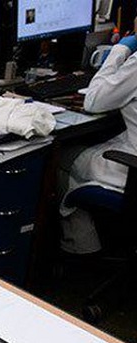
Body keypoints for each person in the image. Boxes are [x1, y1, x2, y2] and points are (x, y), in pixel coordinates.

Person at [60, 28, 137, 253]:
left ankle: (81, 249)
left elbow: (93, 101)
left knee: (60, 156)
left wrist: (119, 50)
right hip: (128, 151)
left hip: (130, 172)